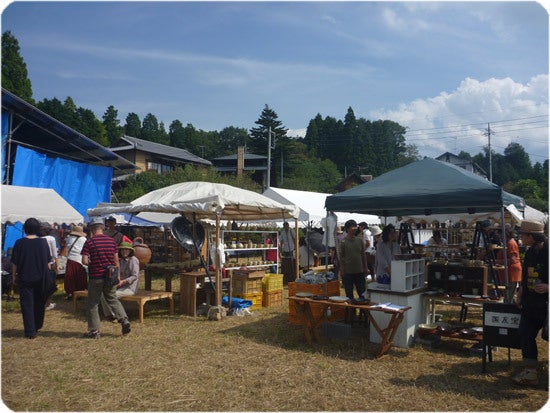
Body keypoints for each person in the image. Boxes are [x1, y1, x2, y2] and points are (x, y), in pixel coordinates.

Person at [81, 217, 131, 338]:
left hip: (96, 276)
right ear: (103, 227)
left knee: (93, 303)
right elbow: (116, 261)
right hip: (111, 276)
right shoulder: (111, 241)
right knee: (112, 299)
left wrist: (94, 263)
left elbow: (85, 261)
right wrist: (118, 276)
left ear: (92, 228)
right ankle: (124, 319)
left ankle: (94, 331)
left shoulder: (89, 242)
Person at [512, 219, 548, 386]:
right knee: (525, 333)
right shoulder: (530, 251)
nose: (520, 238)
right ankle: (530, 372)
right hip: (530, 302)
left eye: (522, 235)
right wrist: (520, 291)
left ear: (531, 236)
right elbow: (526, 275)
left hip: (547, 303)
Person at [10, 218, 52, 339]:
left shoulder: (19, 243)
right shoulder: (43, 243)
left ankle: (30, 331)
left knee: (27, 304)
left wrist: (14, 276)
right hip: (41, 277)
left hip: (25, 277)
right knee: (40, 302)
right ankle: (37, 325)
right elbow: (48, 262)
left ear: (25, 229)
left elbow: (15, 263)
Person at [100, 242, 139, 321]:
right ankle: (110, 315)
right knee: (103, 294)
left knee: (112, 295)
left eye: (126, 250)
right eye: (122, 250)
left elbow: (135, 276)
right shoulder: (120, 261)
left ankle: (117, 316)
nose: (124, 252)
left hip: (130, 288)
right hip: (120, 286)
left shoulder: (133, 260)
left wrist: (123, 281)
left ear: (130, 251)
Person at [338, 220, 368, 300]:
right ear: (347, 229)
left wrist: (365, 267)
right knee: (349, 295)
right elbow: (341, 257)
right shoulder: (343, 242)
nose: (355, 228)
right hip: (348, 272)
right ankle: (350, 311)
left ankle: (363, 311)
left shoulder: (359, 240)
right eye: (353, 227)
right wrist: (342, 269)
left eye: (355, 226)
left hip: (360, 271)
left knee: (362, 293)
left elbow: (363, 255)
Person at [496, 224, 522, 304]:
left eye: (500, 234)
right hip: (508, 272)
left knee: (509, 296)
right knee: (507, 295)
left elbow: (513, 259)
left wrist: (499, 262)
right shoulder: (507, 242)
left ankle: (508, 310)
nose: (499, 236)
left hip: (511, 273)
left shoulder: (511, 243)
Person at [63, 224, 88, 300]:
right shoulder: (84, 239)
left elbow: (66, 248)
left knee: (70, 278)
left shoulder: (69, 238)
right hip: (79, 260)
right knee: (80, 278)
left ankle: (71, 293)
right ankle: (80, 293)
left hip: (70, 259)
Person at [39, 222, 58, 311]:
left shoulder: (37, 239)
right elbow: (55, 254)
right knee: (49, 284)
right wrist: (57, 265)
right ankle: (48, 303)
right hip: (50, 263)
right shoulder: (51, 239)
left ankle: (41, 302)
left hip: (39, 264)